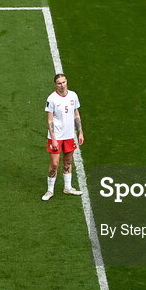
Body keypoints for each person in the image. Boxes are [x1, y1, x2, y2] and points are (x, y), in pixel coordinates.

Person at [43, 73, 84, 201]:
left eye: (64, 82)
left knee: (68, 161)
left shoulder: (73, 95)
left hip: (69, 135)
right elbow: (49, 120)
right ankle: (50, 190)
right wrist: (54, 138)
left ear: (67, 82)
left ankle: (68, 187)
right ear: (56, 84)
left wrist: (80, 132)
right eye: (59, 83)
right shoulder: (52, 99)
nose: (62, 85)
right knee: (55, 164)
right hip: (56, 136)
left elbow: (76, 114)